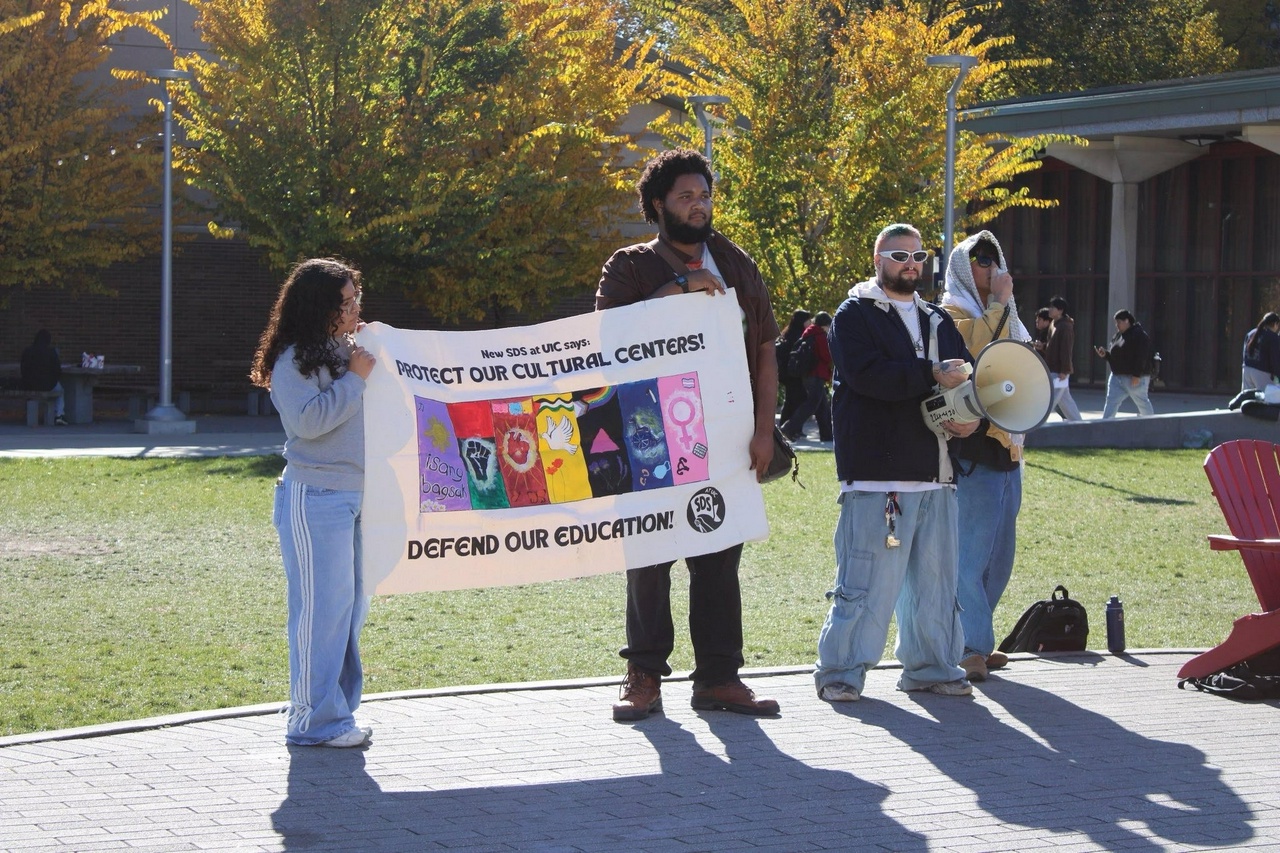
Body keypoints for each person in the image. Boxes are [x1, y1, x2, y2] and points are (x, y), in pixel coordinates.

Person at [597, 148, 781, 721]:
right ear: (658, 205)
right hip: (649, 434)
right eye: (685, 197)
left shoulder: (738, 263)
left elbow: (767, 349)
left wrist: (763, 428)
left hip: (725, 434)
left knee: (719, 554)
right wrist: (680, 288)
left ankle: (720, 678)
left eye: (704, 196)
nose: (698, 206)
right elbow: (610, 338)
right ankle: (644, 675)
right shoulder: (628, 266)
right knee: (649, 555)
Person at [813, 223, 976, 703]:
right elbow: (868, 377)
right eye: (900, 254)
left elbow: (963, 379)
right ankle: (840, 673)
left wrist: (969, 421)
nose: (911, 263)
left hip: (937, 473)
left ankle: (931, 667)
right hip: (876, 474)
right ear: (878, 258)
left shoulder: (939, 320)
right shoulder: (854, 314)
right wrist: (930, 374)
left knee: (936, 586)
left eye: (919, 255)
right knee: (864, 584)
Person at [250, 258, 377, 748]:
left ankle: (335, 711)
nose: (354, 308)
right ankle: (312, 720)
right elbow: (308, 422)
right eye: (344, 303)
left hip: (359, 496)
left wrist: (360, 361)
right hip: (316, 496)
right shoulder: (292, 360)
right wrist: (356, 379)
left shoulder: (345, 351)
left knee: (347, 610)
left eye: (354, 298)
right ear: (318, 307)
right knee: (320, 612)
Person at [939, 231, 1029, 682]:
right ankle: (969, 645)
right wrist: (998, 303)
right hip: (972, 450)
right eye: (979, 259)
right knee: (970, 557)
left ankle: (977, 635)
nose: (990, 267)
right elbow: (980, 353)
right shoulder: (950, 314)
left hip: (1007, 448)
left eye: (994, 258)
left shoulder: (1006, 313)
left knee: (1000, 557)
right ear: (961, 266)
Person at [780, 311, 833, 443]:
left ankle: (827, 434)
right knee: (811, 405)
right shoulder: (819, 335)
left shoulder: (808, 332)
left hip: (808, 374)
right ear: (824, 325)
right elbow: (826, 355)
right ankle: (789, 427)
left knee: (822, 406)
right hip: (817, 374)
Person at [1095, 309, 1155, 418]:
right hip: (1117, 377)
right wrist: (1105, 355)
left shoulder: (1139, 334)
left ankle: (1153, 425)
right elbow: (1115, 355)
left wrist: (1137, 375)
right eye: (1116, 322)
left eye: (1119, 322)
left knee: (1142, 403)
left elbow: (1142, 356)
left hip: (1134, 378)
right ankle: (1105, 426)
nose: (1116, 325)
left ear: (1127, 321)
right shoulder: (1118, 335)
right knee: (1111, 402)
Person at [1228, 312, 1280, 409]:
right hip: (1262, 372)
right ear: (1276, 324)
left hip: (1247, 369)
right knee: (1264, 400)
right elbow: (1275, 359)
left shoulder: (1251, 333)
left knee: (1246, 402)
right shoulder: (1273, 337)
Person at [1043, 297, 1082, 421]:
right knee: (1065, 400)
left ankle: (1037, 423)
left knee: (1050, 400)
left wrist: (1065, 371)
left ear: (1060, 310)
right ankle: (1079, 424)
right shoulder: (1054, 324)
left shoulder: (1065, 326)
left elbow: (1066, 349)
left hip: (1059, 371)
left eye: (1052, 307)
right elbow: (1052, 346)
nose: (1049, 310)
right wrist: (1043, 346)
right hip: (1053, 368)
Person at [19, 329, 68, 426]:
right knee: (60, 390)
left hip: (30, 385)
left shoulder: (27, 351)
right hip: (48, 385)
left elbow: (23, 368)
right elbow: (57, 370)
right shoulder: (51, 352)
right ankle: (59, 415)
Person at [776, 309, 812, 424]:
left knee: (792, 399)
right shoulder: (798, 335)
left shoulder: (789, 332)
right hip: (792, 373)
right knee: (798, 398)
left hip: (787, 372)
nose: (810, 323)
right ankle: (789, 426)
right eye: (808, 320)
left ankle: (787, 424)